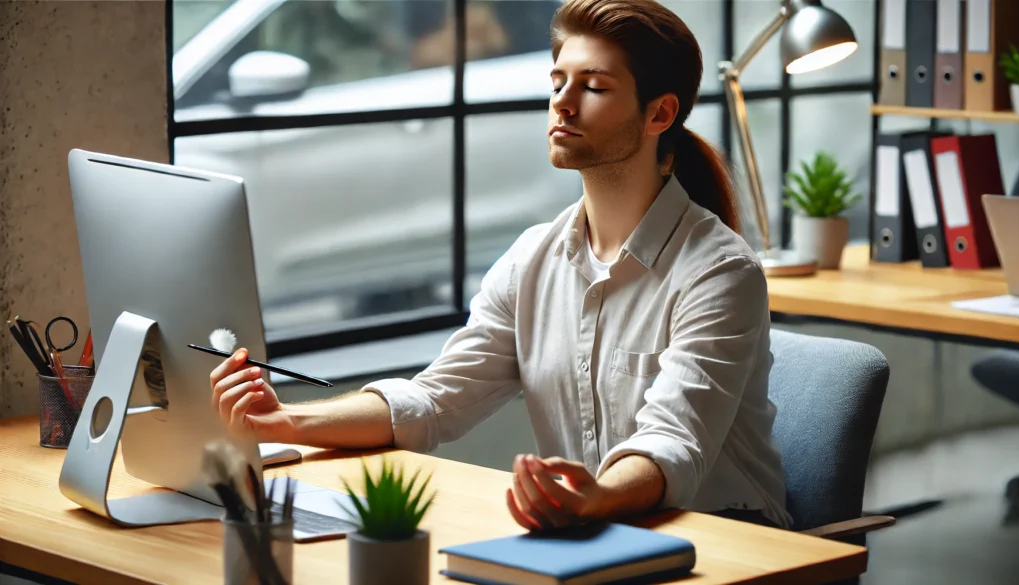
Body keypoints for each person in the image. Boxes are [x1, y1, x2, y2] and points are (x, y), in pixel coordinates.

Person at [210, 0, 792, 532]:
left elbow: (673, 443)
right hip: (598, 531)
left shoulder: (720, 274)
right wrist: (285, 422)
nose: (562, 102)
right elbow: (435, 400)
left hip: (722, 537)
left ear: (659, 113)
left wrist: (596, 497)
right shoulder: (532, 260)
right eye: (558, 81)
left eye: (592, 87)